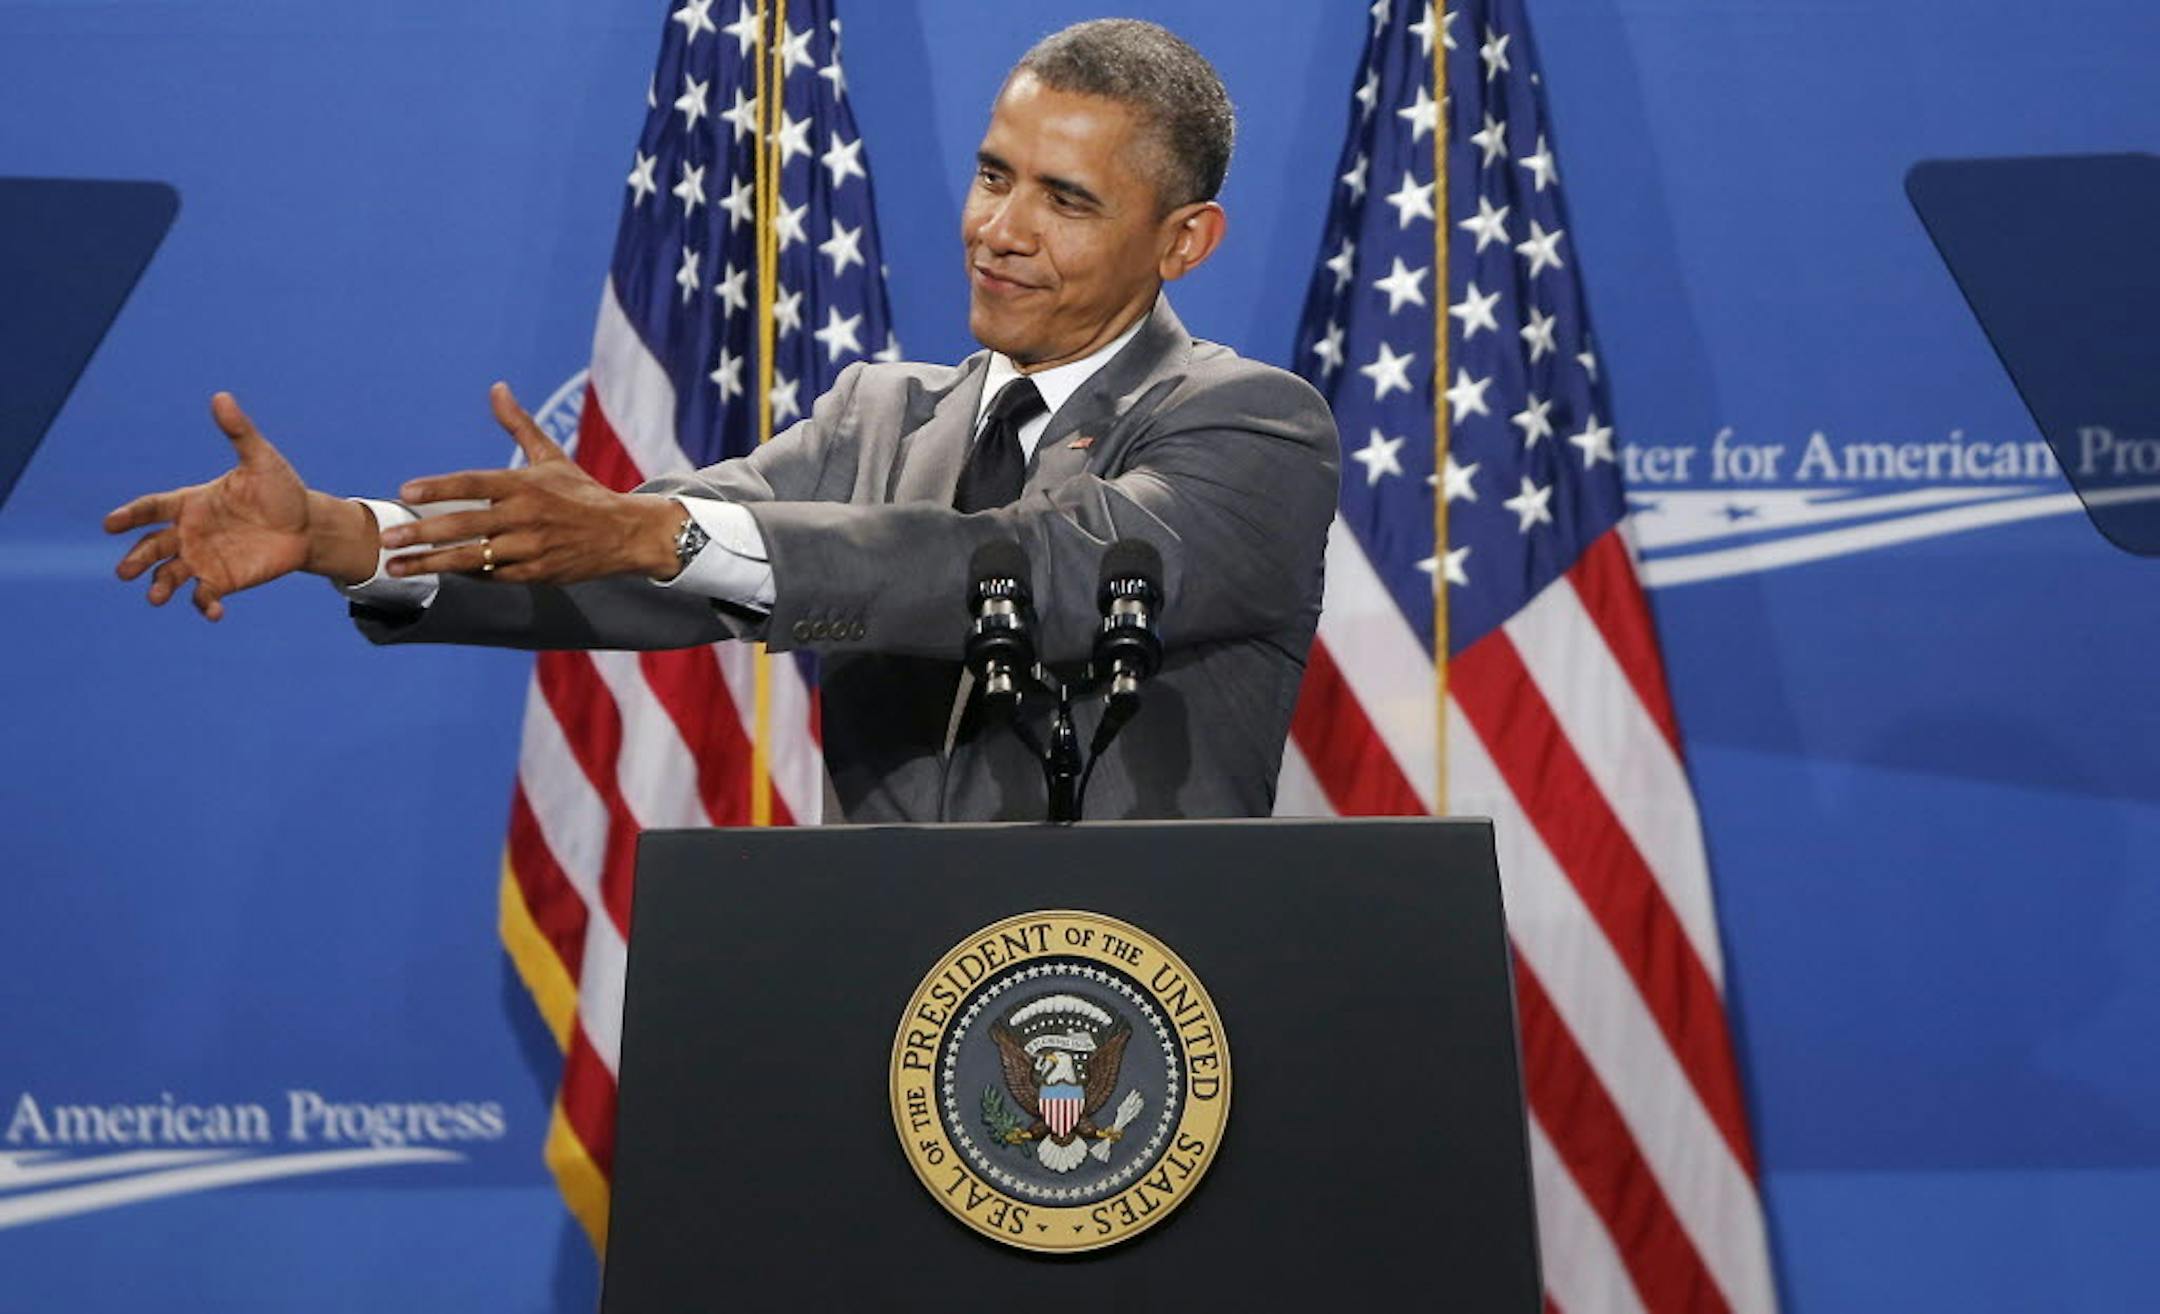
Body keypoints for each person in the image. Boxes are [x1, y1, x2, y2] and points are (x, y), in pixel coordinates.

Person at [104, 19, 1339, 823]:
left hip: (1136, 1024)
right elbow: (645, 570)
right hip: (892, 1000)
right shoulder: (882, 416)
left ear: (1183, 240)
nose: (1000, 228)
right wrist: (338, 536)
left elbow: (1043, 570)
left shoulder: (1250, 426)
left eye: (1064, 199)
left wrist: (658, 535)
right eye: (992, 173)